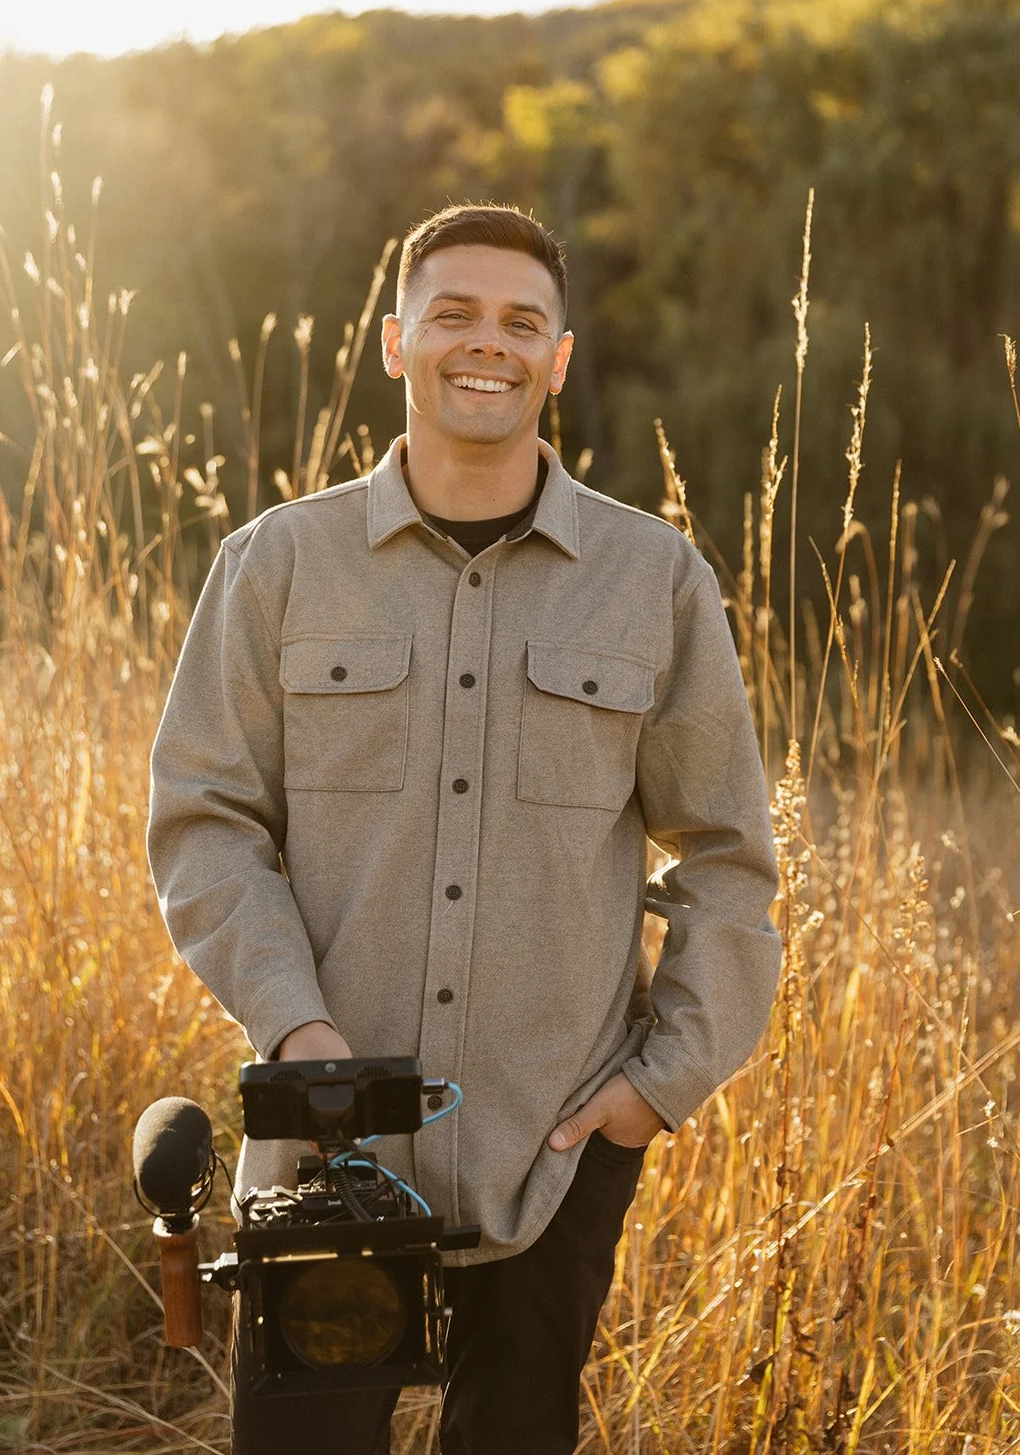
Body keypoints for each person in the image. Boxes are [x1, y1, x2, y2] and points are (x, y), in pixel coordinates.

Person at [146, 203, 783, 1454]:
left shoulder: (653, 580)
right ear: (396, 342)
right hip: (321, 1151)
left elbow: (727, 855)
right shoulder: (276, 565)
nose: (485, 343)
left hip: (553, 1148)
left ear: (556, 356)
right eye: (452, 313)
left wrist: (655, 1087)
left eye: (518, 322)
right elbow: (205, 822)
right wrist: (298, 1031)